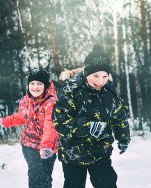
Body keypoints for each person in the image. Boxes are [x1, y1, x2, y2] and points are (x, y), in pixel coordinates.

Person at [53, 45, 131, 188]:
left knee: (107, 184)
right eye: (95, 76)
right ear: (86, 72)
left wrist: (123, 137)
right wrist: (88, 126)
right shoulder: (72, 91)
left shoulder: (110, 93)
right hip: (73, 154)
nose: (100, 81)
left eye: (104, 76)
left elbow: (119, 117)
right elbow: (60, 122)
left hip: (100, 151)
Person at [0, 69, 58, 188]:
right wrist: (4, 121)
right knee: (35, 171)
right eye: (32, 83)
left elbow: (49, 125)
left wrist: (46, 146)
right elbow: (21, 117)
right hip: (29, 143)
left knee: (45, 176)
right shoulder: (25, 100)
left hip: (48, 145)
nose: (35, 87)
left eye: (39, 84)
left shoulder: (51, 102)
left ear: (45, 85)